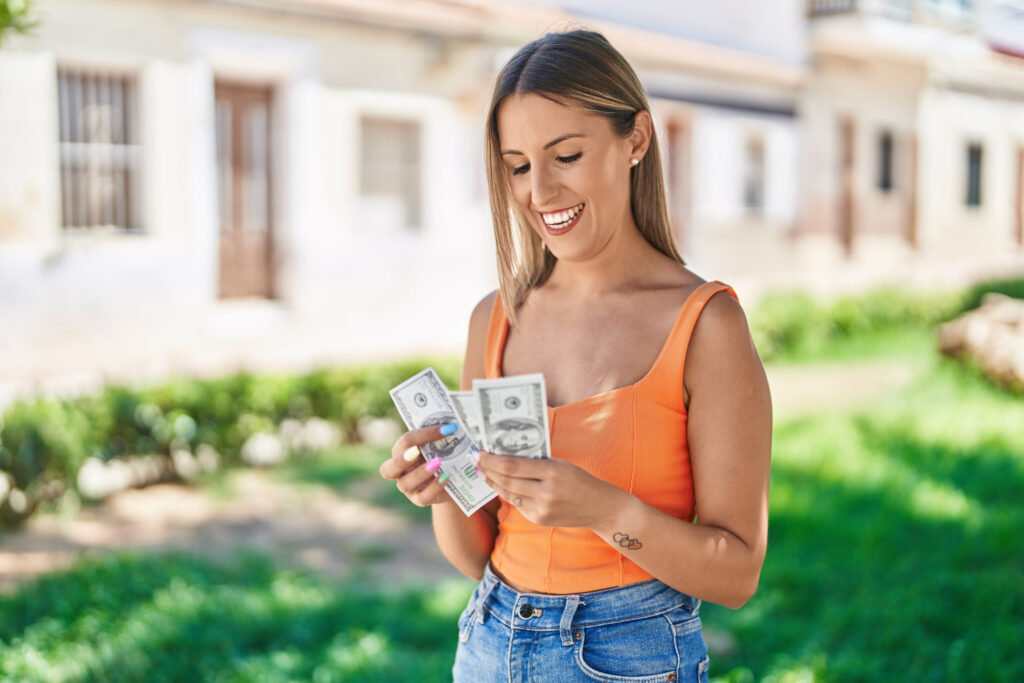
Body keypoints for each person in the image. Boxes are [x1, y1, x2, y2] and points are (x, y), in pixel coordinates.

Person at [379, 28, 772, 682]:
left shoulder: (706, 324)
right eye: (519, 165)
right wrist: (444, 488)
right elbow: (479, 554)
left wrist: (605, 509)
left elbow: (736, 575)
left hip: (632, 657)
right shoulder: (496, 319)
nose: (540, 192)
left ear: (636, 140)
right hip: (490, 642)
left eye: (565, 155)